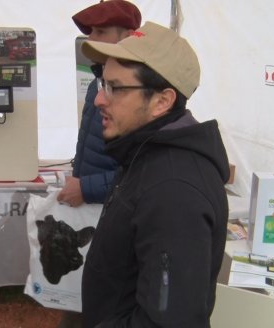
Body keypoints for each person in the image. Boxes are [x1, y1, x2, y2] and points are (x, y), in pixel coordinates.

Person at [80, 21, 230, 327]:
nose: (99, 100)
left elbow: (168, 321)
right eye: (101, 83)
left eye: (115, 88)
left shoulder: (174, 190)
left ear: (162, 101)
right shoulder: (143, 153)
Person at [57, 0, 141, 207]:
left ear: (129, 36)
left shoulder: (140, 93)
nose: (91, 39)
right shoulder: (96, 82)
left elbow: (143, 171)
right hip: (95, 207)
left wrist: (86, 188)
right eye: (91, 31)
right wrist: (78, 179)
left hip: (117, 208)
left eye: (101, 32)